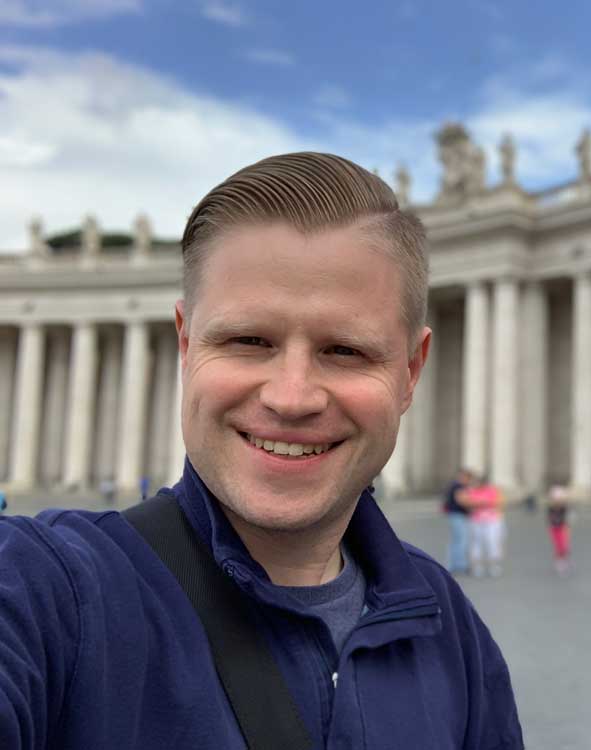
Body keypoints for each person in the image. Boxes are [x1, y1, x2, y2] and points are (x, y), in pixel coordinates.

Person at [0, 152, 523, 749]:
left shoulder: (450, 627)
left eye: (345, 350)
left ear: (410, 372)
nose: (291, 397)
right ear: (186, 344)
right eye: (249, 340)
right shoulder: (47, 590)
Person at [459, 474, 505, 578]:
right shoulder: (471, 491)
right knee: (476, 543)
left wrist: (479, 503)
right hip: (476, 520)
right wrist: (481, 503)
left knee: (492, 541)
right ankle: (477, 566)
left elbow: (498, 503)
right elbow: (466, 502)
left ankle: (494, 565)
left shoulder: (492, 491)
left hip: (492, 521)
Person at [442, 468, 472, 574]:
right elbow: (462, 501)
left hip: (454, 515)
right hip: (458, 515)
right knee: (460, 540)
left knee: (456, 540)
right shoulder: (458, 486)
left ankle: (454, 564)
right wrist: (476, 504)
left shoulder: (453, 485)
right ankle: (459, 564)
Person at [546, 485, 572, 575]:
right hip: (554, 529)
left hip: (562, 528)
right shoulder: (551, 509)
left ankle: (564, 561)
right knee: (558, 546)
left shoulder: (564, 508)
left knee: (564, 546)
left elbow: (566, 519)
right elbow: (551, 520)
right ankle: (559, 562)